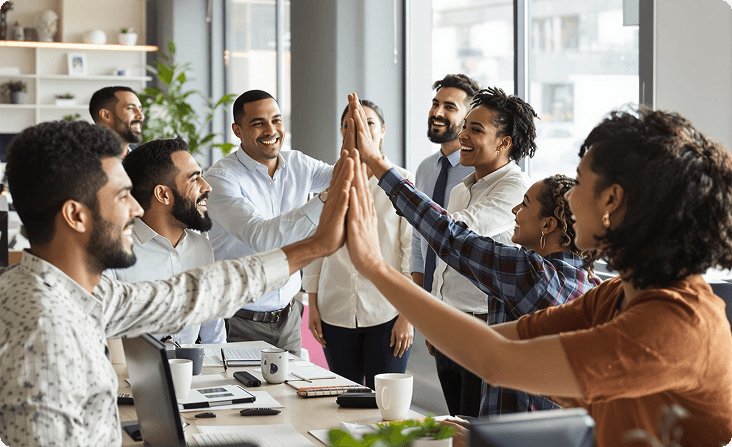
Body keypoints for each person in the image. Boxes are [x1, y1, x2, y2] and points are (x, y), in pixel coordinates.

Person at [344, 100, 732, 447]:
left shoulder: (674, 322)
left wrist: (375, 268)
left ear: (612, 200)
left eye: (579, 182)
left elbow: (494, 359)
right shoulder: (612, 296)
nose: (570, 196)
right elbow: (488, 347)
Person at [0, 120, 354, 446]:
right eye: (123, 196)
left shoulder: (74, 292)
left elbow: (187, 295)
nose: (137, 210)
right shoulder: (45, 332)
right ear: (76, 215)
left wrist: (312, 247)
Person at [423, 86, 541, 416]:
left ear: (504, 143)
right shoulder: (461, 190)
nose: (463, 136)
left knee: (478, 429)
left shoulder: (516, 187)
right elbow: (444, 262)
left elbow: (456, 232)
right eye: (465, 127)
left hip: (484, 329)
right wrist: (435, 319)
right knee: (459, 423)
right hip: (449, 326)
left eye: (476, 130)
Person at [204, 90, 333, 356]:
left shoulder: (298, 163)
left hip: (287, 319)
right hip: (238, 323)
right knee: (246, 397)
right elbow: (262, 238)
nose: (270, 130)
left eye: (276, 120)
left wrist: (362, 143)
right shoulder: (221, 178)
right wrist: (325, 198)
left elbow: (349, 173)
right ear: (237, 130)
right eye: (258, 123)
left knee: (294, 397)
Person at [302, 100, 415, 389]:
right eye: (350, 124)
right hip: (334, 311)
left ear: (383, 131)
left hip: (387, 312)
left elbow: (411, 254)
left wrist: (407, 316)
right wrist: (312, 305)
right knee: (344, 399)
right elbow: (314, 247)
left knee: (385, 404)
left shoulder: (403, 183)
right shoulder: (326, 183)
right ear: (343, 132)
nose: (359, 129)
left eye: (369, 123)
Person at [104, 138, 225, 345]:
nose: (207, 187)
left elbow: (214, 335)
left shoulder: (202, 247)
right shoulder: (112, 252)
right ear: (163, 194)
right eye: (194, 179)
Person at [412, 74, 478, 293]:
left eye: (449, 107)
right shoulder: (425, 168)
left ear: (469, 118)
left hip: (464, 301)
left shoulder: (479, 172)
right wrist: (418, 295)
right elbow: (417, 235)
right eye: (435, 104)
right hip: (427, 297)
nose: (437, 113)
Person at [89, 86, 144, 158]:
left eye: (140, 109)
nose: (141, 116)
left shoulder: (141, 160)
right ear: (106, 115)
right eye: (130, 108)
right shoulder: (81, 162)